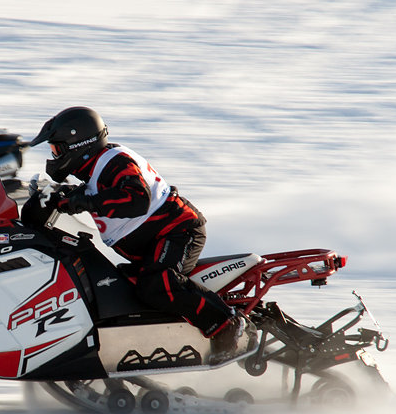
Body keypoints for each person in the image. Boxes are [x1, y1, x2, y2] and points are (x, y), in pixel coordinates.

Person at [24, 106, 251, 363]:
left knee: (157, 284)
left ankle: (226, 323)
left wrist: (85, 202)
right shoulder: (93, 172)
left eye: (57, 149)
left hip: (178, 231)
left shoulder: (115, 162)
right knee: (116, 288)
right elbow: (80, 200)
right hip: (151, 243)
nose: (54, 156)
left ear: (79, 144)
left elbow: (137, 199)